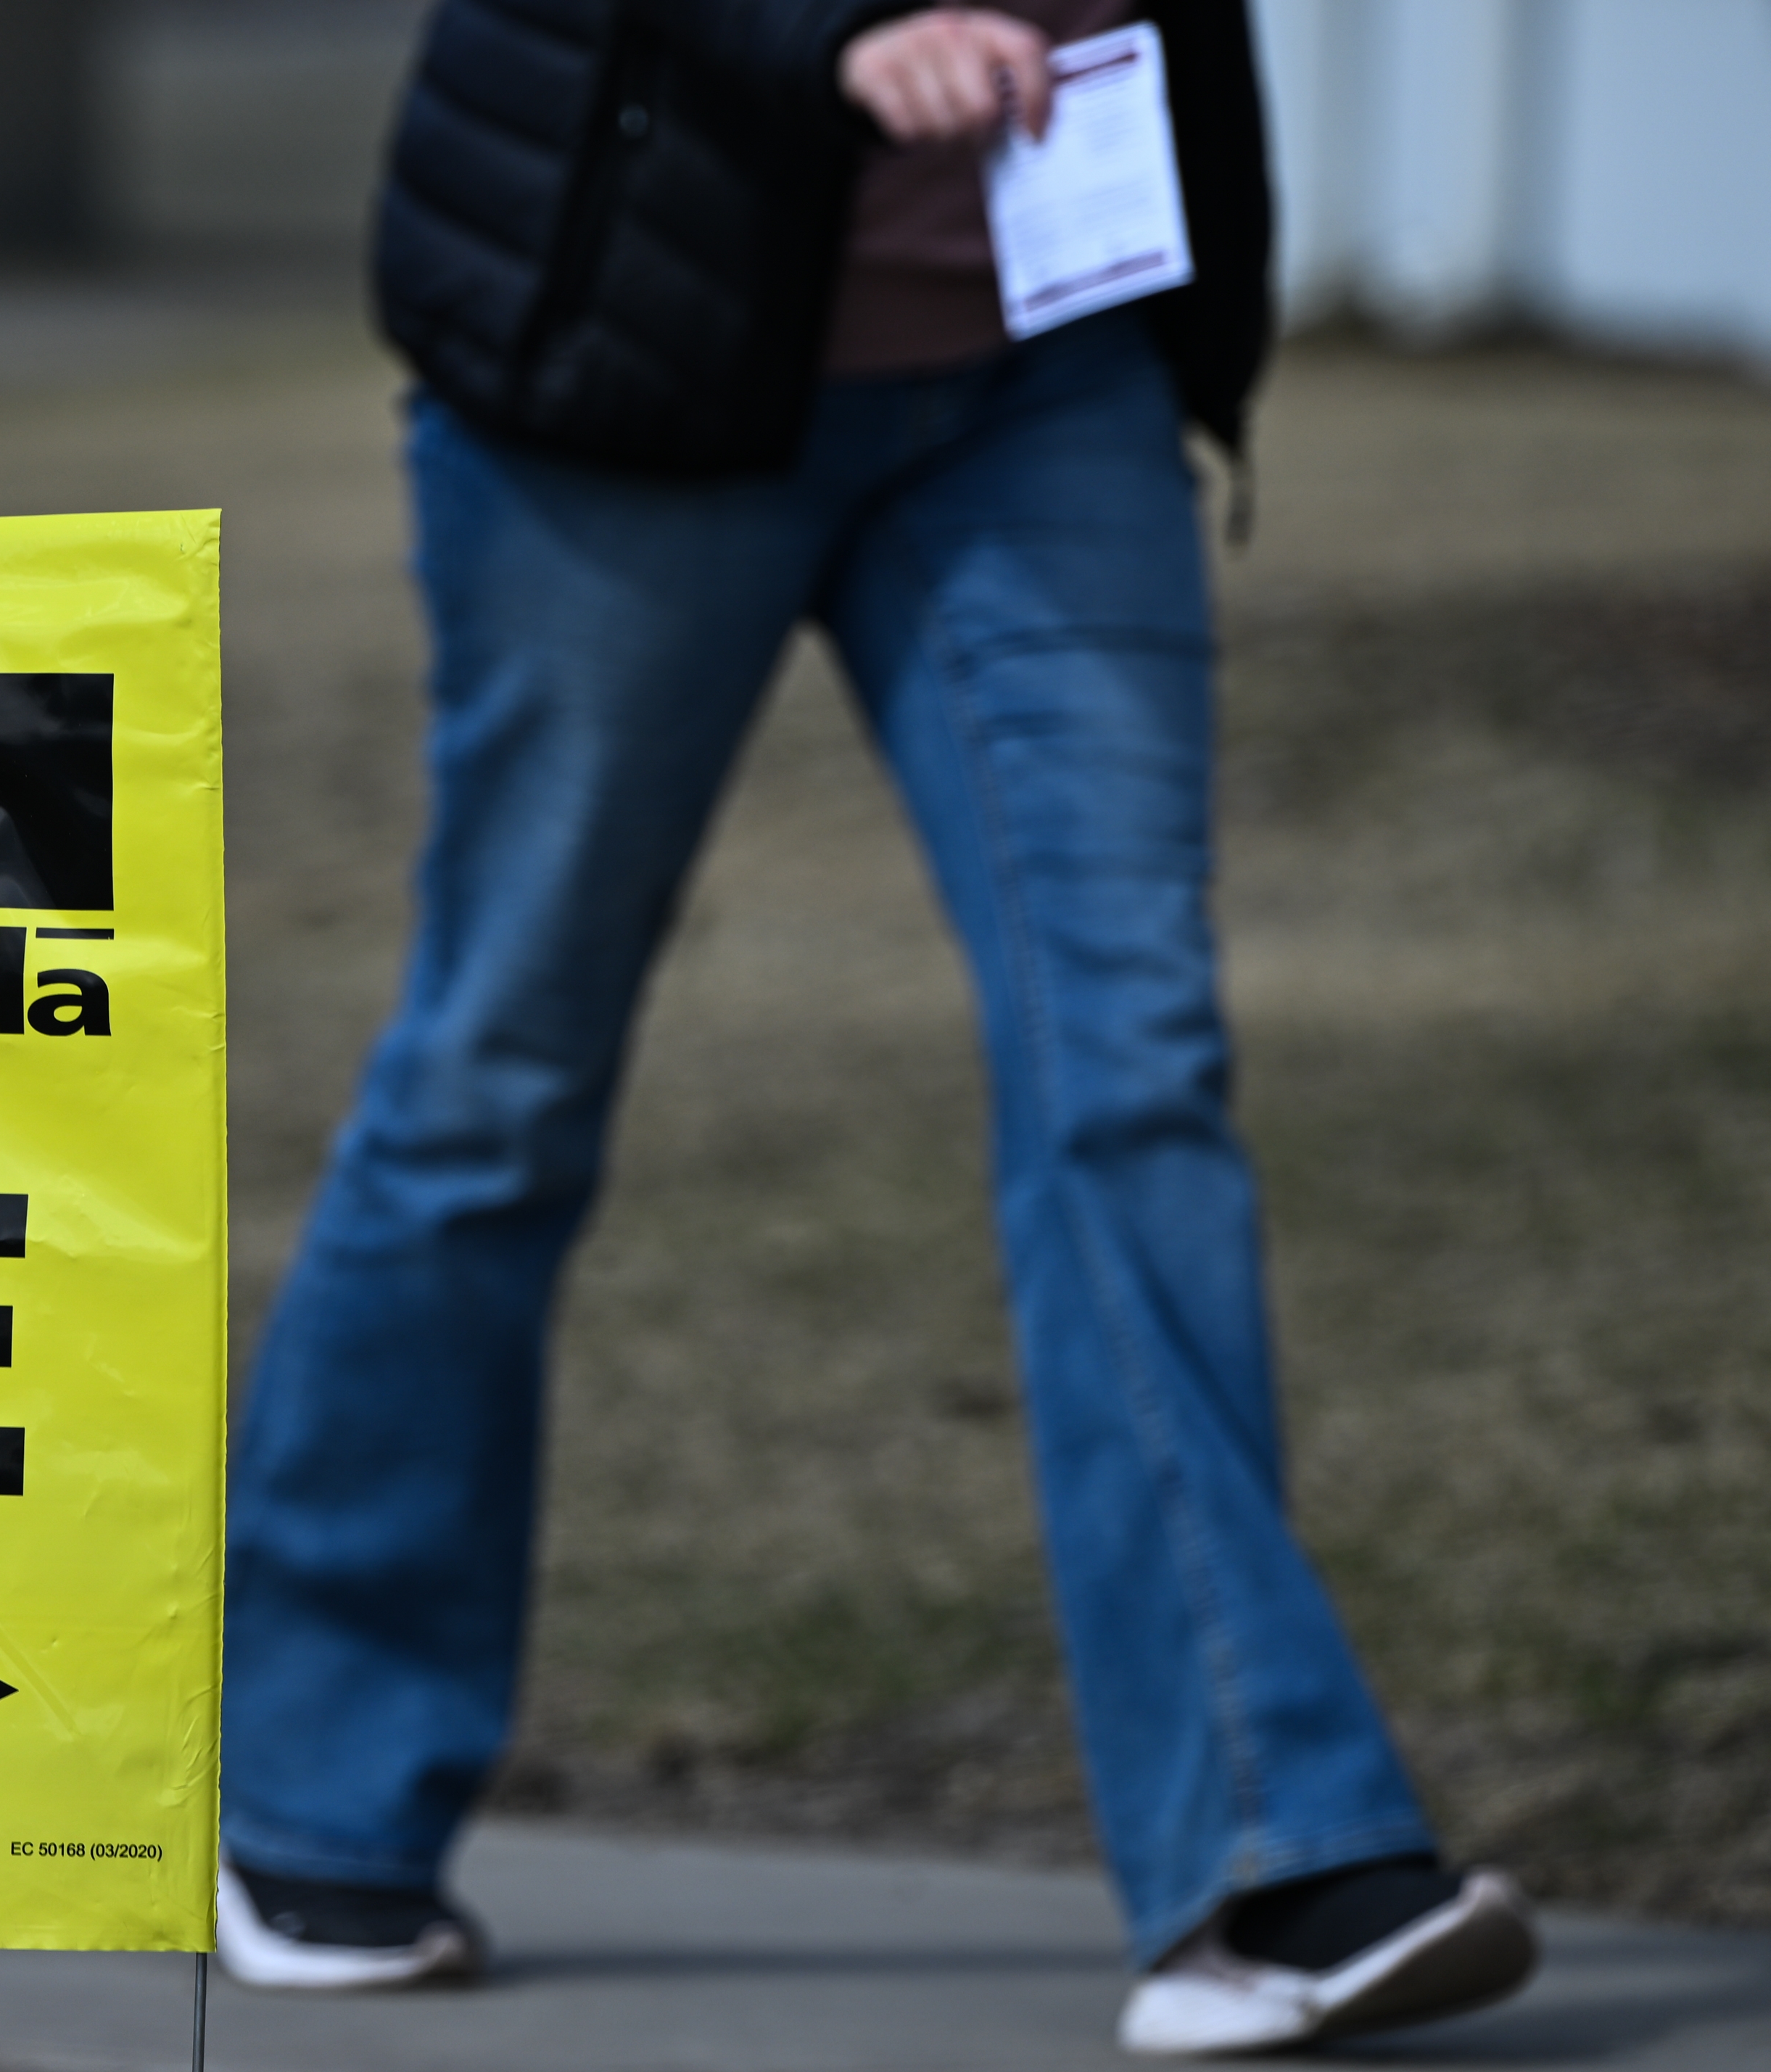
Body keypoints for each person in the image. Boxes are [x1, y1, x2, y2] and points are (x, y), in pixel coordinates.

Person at [211, 1, 1543, 2055]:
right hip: (637, 361)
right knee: (499, 1080)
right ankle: (315, 1789)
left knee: (1136, 1074)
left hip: (1047, 362)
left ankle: (1269, 1866)